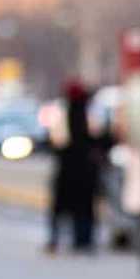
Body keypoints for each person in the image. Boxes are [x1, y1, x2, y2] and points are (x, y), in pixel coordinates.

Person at [46, 80, 109, 253]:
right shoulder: (91, 114)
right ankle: (83, 241)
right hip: (86, 171)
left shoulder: (61, 113)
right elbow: (103, 140)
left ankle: (54, 240)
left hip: (66, 170)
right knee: (85, 209)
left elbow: (53, 142)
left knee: (60, 209)